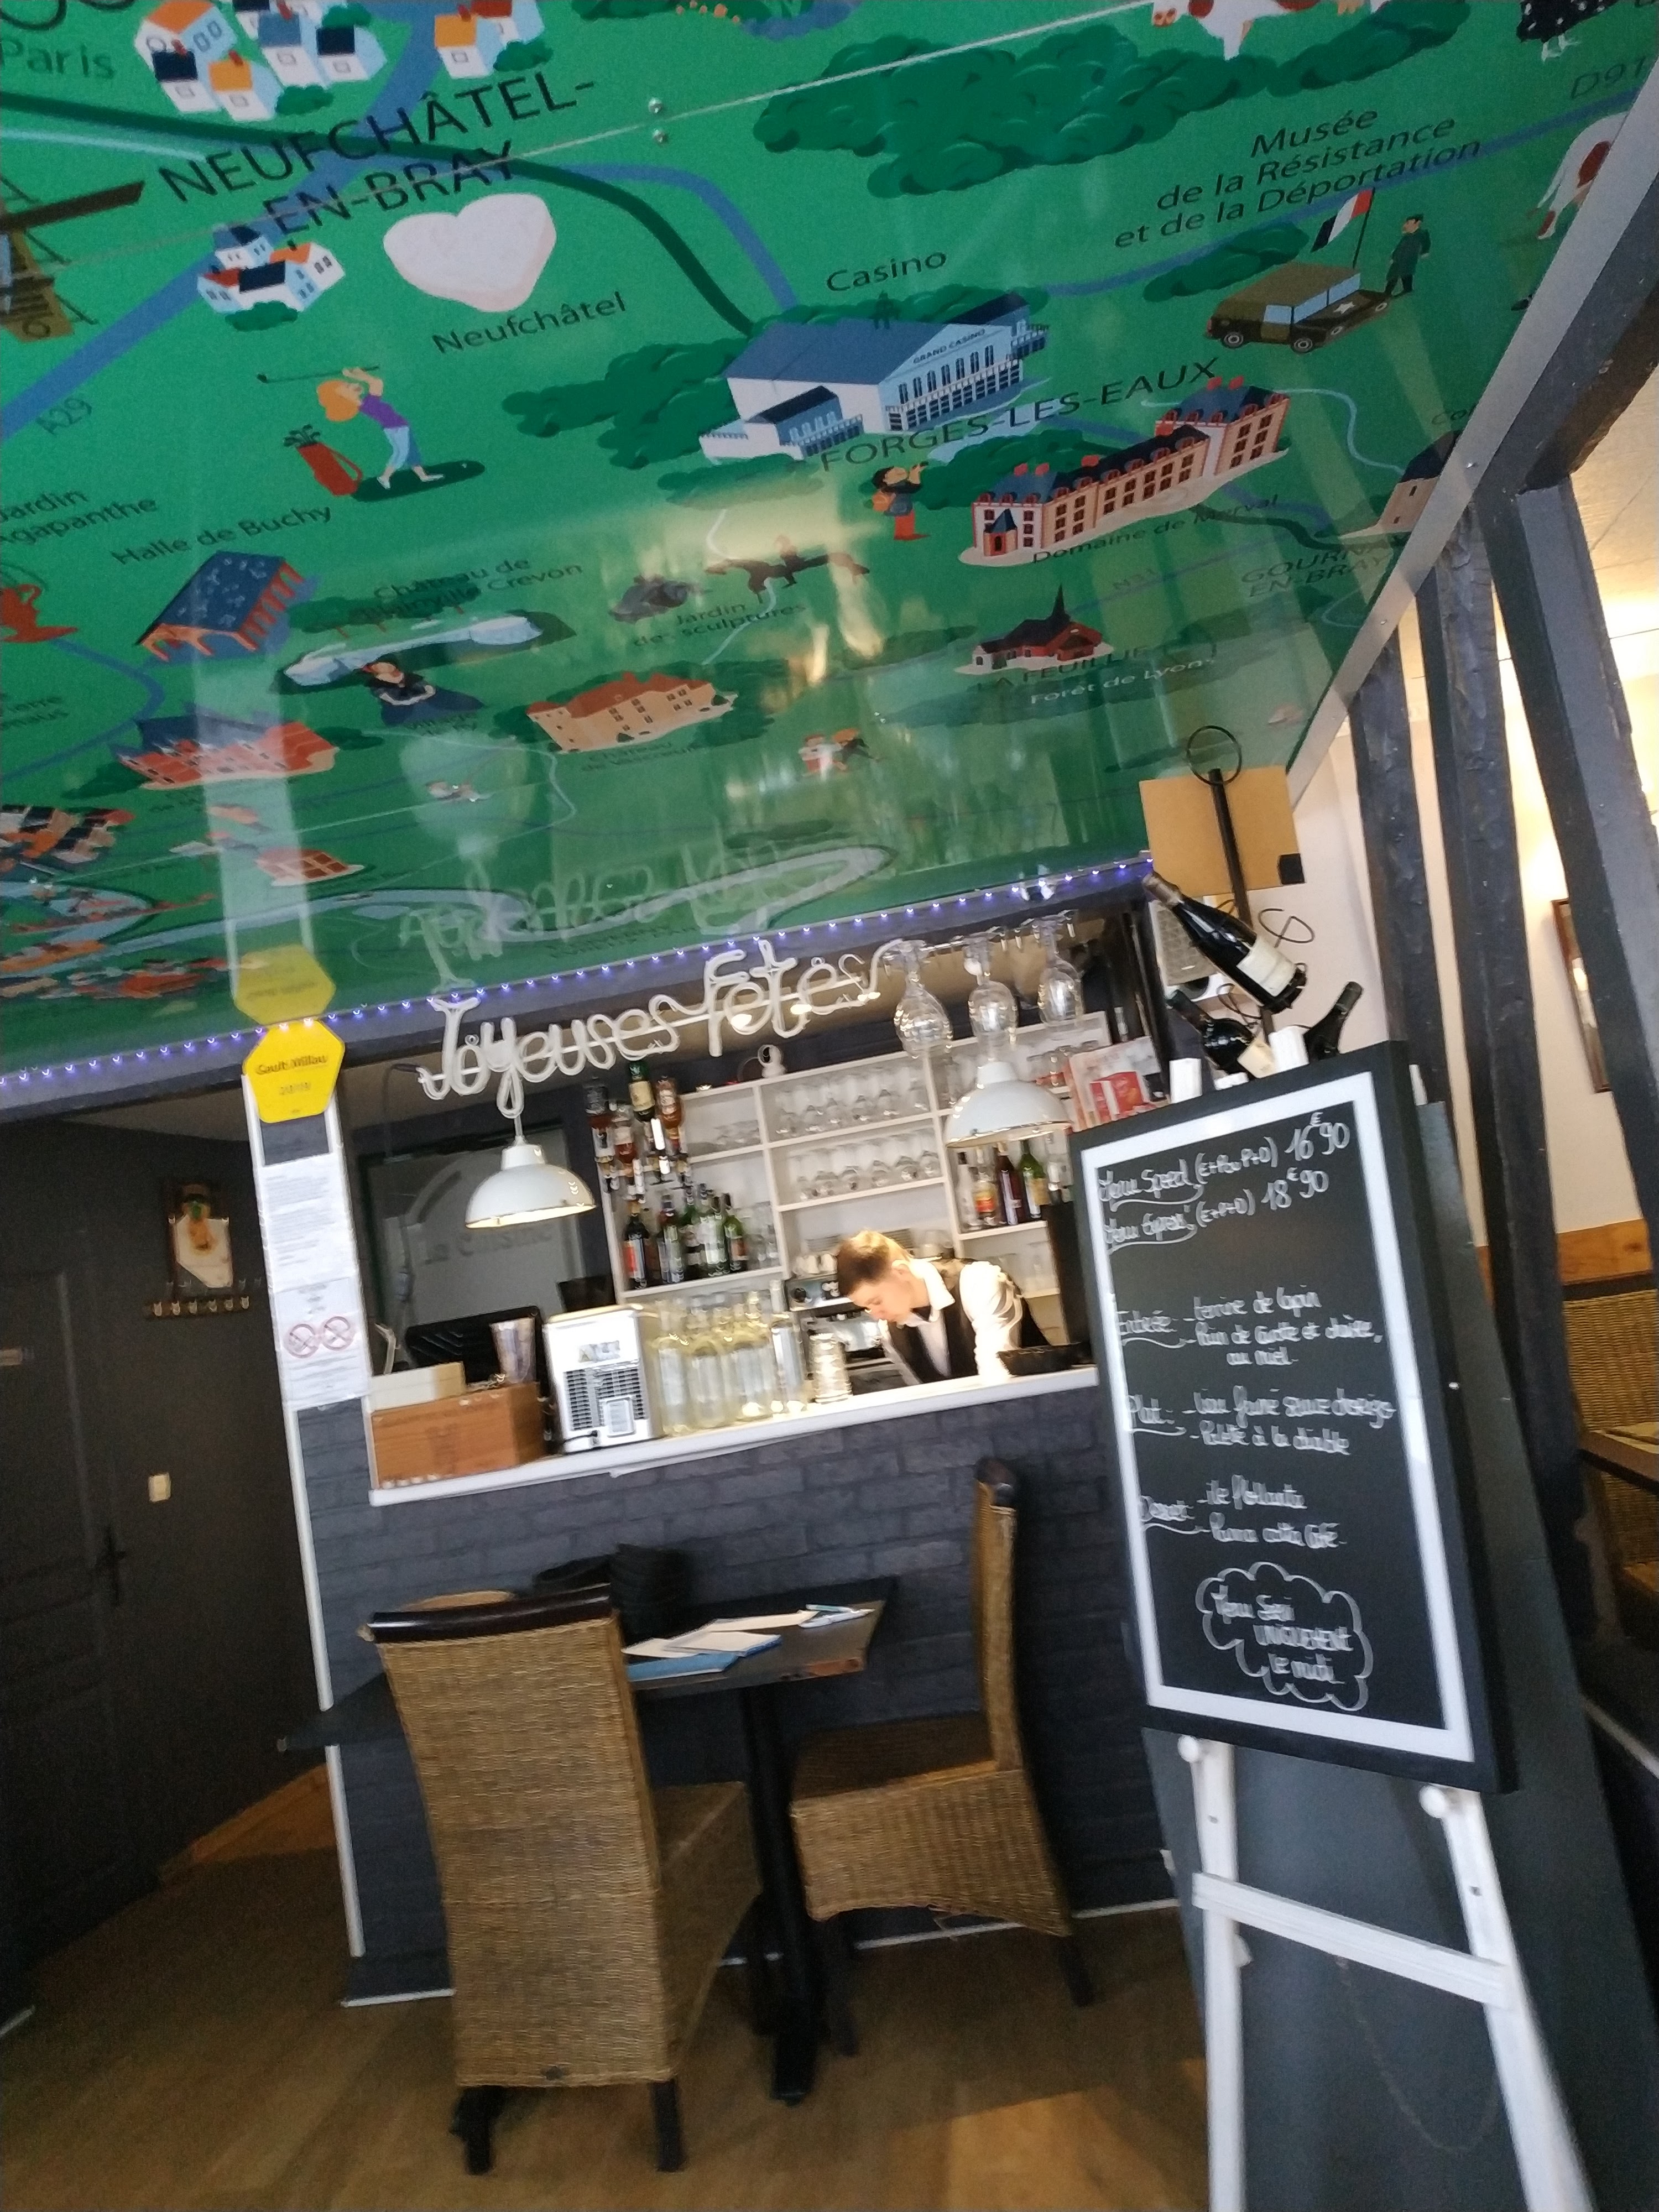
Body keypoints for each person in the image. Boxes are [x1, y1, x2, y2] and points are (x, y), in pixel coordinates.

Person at [834, 1230, 1044, 1384]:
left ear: (901, 1272)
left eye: (876, 1301)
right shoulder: (890, 1332)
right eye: (867, 1308)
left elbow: (997, 1378)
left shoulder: (979, 1282)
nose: (875, 1315)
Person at [315, 369, 439, 491]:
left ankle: (423, 476)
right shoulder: (368, 405)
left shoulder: (368, 402)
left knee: (412, 452)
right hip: (396, 429)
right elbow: (376, 382)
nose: (354, 385)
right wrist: (355, 374)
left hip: (401, 427)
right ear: (344, 397)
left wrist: (357, 373)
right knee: (401, 454)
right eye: (348, 387)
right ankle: (385, 477)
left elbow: (376, 383)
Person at [1383, 215, 1431, 298]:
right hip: (1399, 259)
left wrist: (1425, 252)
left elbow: (1426, 243)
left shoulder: (1421, 234)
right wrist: (1394, 257)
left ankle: (1407, 289)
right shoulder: (1407, 236)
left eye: (1408, 223)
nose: (1406, 225)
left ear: (1416, 223)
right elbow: (1399, 247)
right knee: (1393, 276)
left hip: (1409, 260)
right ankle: (1387, 292)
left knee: (1406, 274)